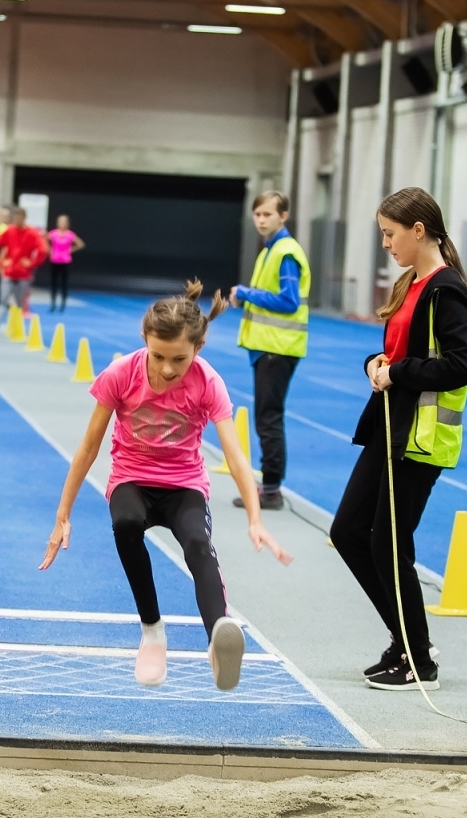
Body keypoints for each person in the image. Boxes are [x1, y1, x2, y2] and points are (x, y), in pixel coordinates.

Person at [41, 280, 292, 692]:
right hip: (132, 478)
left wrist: (255, 518)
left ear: (199, 347)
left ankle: (218, 639)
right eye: (158, 356)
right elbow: (89, 447)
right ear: (144, 340)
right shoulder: (121, 374)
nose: (169, 369)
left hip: (183, 484)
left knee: (196, 541)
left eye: (180, 358)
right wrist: (62, 512)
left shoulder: (207, 382)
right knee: (125, 523)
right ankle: (153, 632)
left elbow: (234, 455)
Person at [330, 188, 467, 691]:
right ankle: (406, 640)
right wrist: (376, 366)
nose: (385, 244)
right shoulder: (409, 284)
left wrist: (399, 373)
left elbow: (463, 366)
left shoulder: (446, 290)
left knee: (389, 545)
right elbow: (394, 353)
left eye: (390, 234)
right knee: (349, 532)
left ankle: (418, 657)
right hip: (388, 429)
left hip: (419, 438)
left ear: (419, 231)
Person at [229, 190, 309, 512]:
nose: (261, 220)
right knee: (267, 415)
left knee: (268, 417)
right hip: (267, 346)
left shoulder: (285, 252)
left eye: (268, 214)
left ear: (283, 216)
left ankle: (271, 489)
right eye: (257, 214)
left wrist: (247, 293)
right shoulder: (269, 250)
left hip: (278, 347)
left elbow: (289, 301)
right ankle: (270, 486)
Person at [0, 207, 44, 329]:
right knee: (3, 299)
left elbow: (42, 250)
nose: (17, 219)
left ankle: (17, 326)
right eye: (15, 217)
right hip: (9, 272)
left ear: (24, 217)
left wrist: (32, 263)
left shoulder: (32, 233)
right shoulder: (9, 230)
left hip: (23, 274)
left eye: (19, 216)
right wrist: (1, 262)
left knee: (20, 302)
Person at [45, 214, 84, 313]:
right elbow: (44, 240)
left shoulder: (70, 235)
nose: (62, 224)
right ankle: (53, 303)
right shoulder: (53, 233)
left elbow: (81, 244)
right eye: (60, 222)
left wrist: (70, 250)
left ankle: (63, 303)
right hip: (55, 260)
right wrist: (50, 250)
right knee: (54, 283)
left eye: (64, 222)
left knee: (64, 283)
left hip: (65, 260)